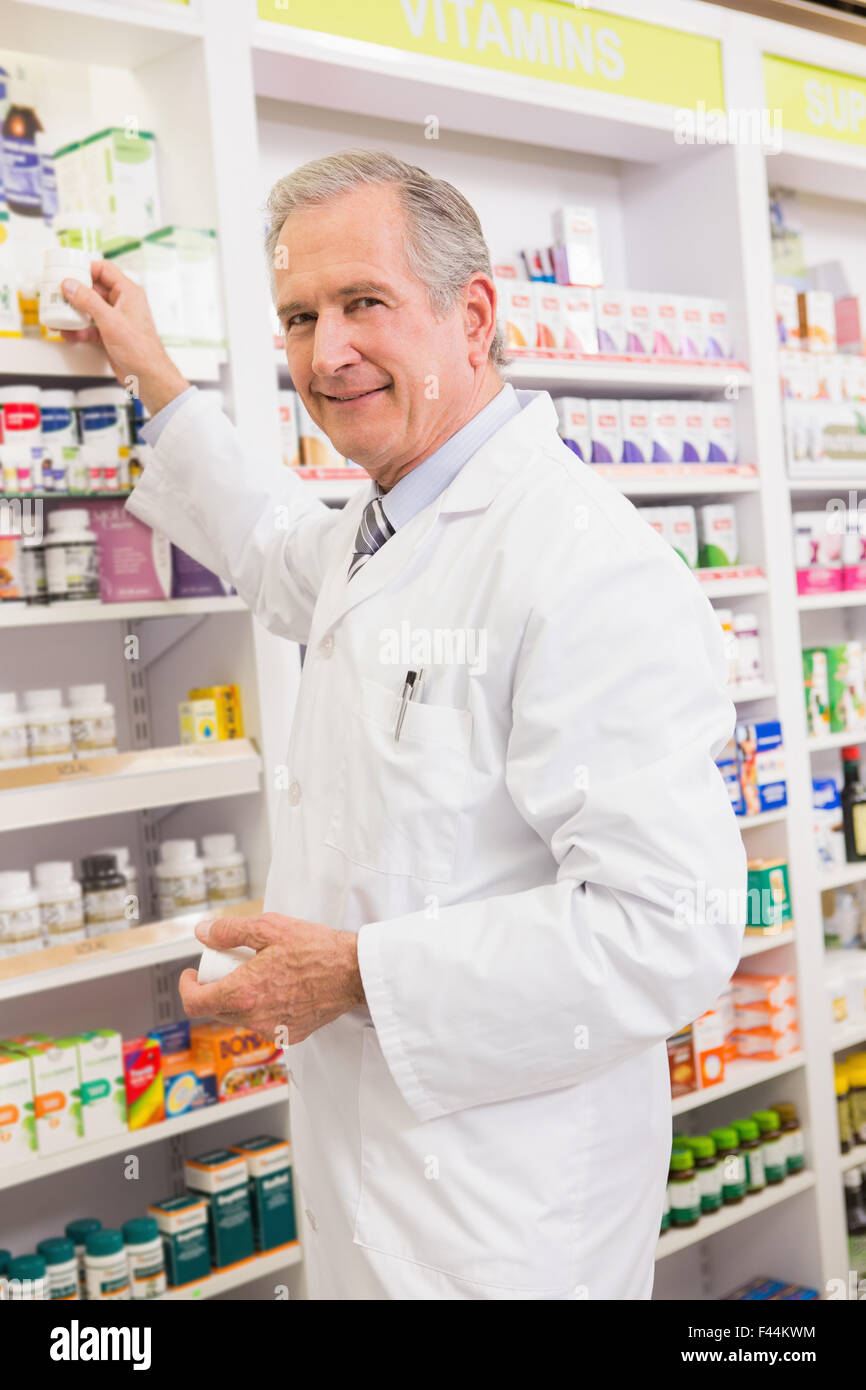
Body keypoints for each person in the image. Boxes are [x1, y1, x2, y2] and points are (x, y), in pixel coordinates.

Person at [61, 149, 745, 1301]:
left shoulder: (578, 562)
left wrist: (355, 973)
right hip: (376, 1198)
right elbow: (273, 545)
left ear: (471, 314)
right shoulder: (372, 532)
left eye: (362, 303)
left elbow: (664, 928)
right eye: (297, 317)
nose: (326, 353)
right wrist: (161, 385)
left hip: (510, 1228)